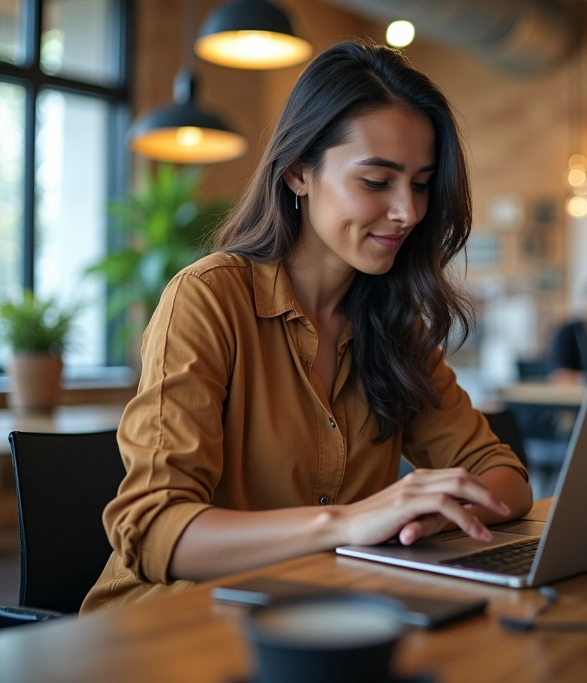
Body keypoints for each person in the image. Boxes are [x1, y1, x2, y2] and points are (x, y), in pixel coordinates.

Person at [82, 41, 532, 611]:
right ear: (298, 171)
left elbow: (504, 477)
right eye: (377, 181)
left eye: (420, 184)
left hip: (317, 614)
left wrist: (422, 519)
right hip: (168, 626)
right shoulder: (208, 298)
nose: (409, 212)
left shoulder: (395, 327)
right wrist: (348, 524)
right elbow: (153, 529)